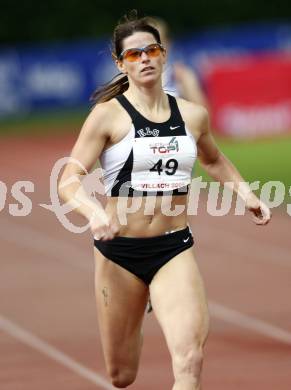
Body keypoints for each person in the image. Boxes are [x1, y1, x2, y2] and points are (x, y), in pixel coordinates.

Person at [58, 12, 271, 390]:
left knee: (190, 359)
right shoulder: (107, 117)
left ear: (163, 54)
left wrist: (246, 193)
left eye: (151, 50)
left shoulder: (192, 115)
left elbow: (214, 159)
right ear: (119, 63)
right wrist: (92, 213)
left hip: (174, 249)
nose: (144, 59)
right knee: (121, 375)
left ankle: (158, 295)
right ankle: (138, 308)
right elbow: (68, 181)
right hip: (119, 254)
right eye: (134, 54)